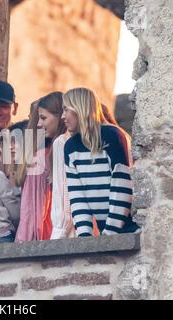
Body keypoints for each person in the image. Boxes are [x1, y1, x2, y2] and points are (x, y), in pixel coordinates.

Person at [63, 88, 139, 237]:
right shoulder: (70, 147)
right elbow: (77, 197)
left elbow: (121, 186)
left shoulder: (113, 136)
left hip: (128, 230)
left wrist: (109, 233)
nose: (62, 116)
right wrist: (85, 236)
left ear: (79, 108)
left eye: (66, 109)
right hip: (104, 232)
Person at [15, 92, 66, 241]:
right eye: (38, 118)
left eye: (43, 118)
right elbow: (31, 212)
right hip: (51, 236)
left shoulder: (51, 154)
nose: (38, 123)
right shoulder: (41, 157)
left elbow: (30, 213)